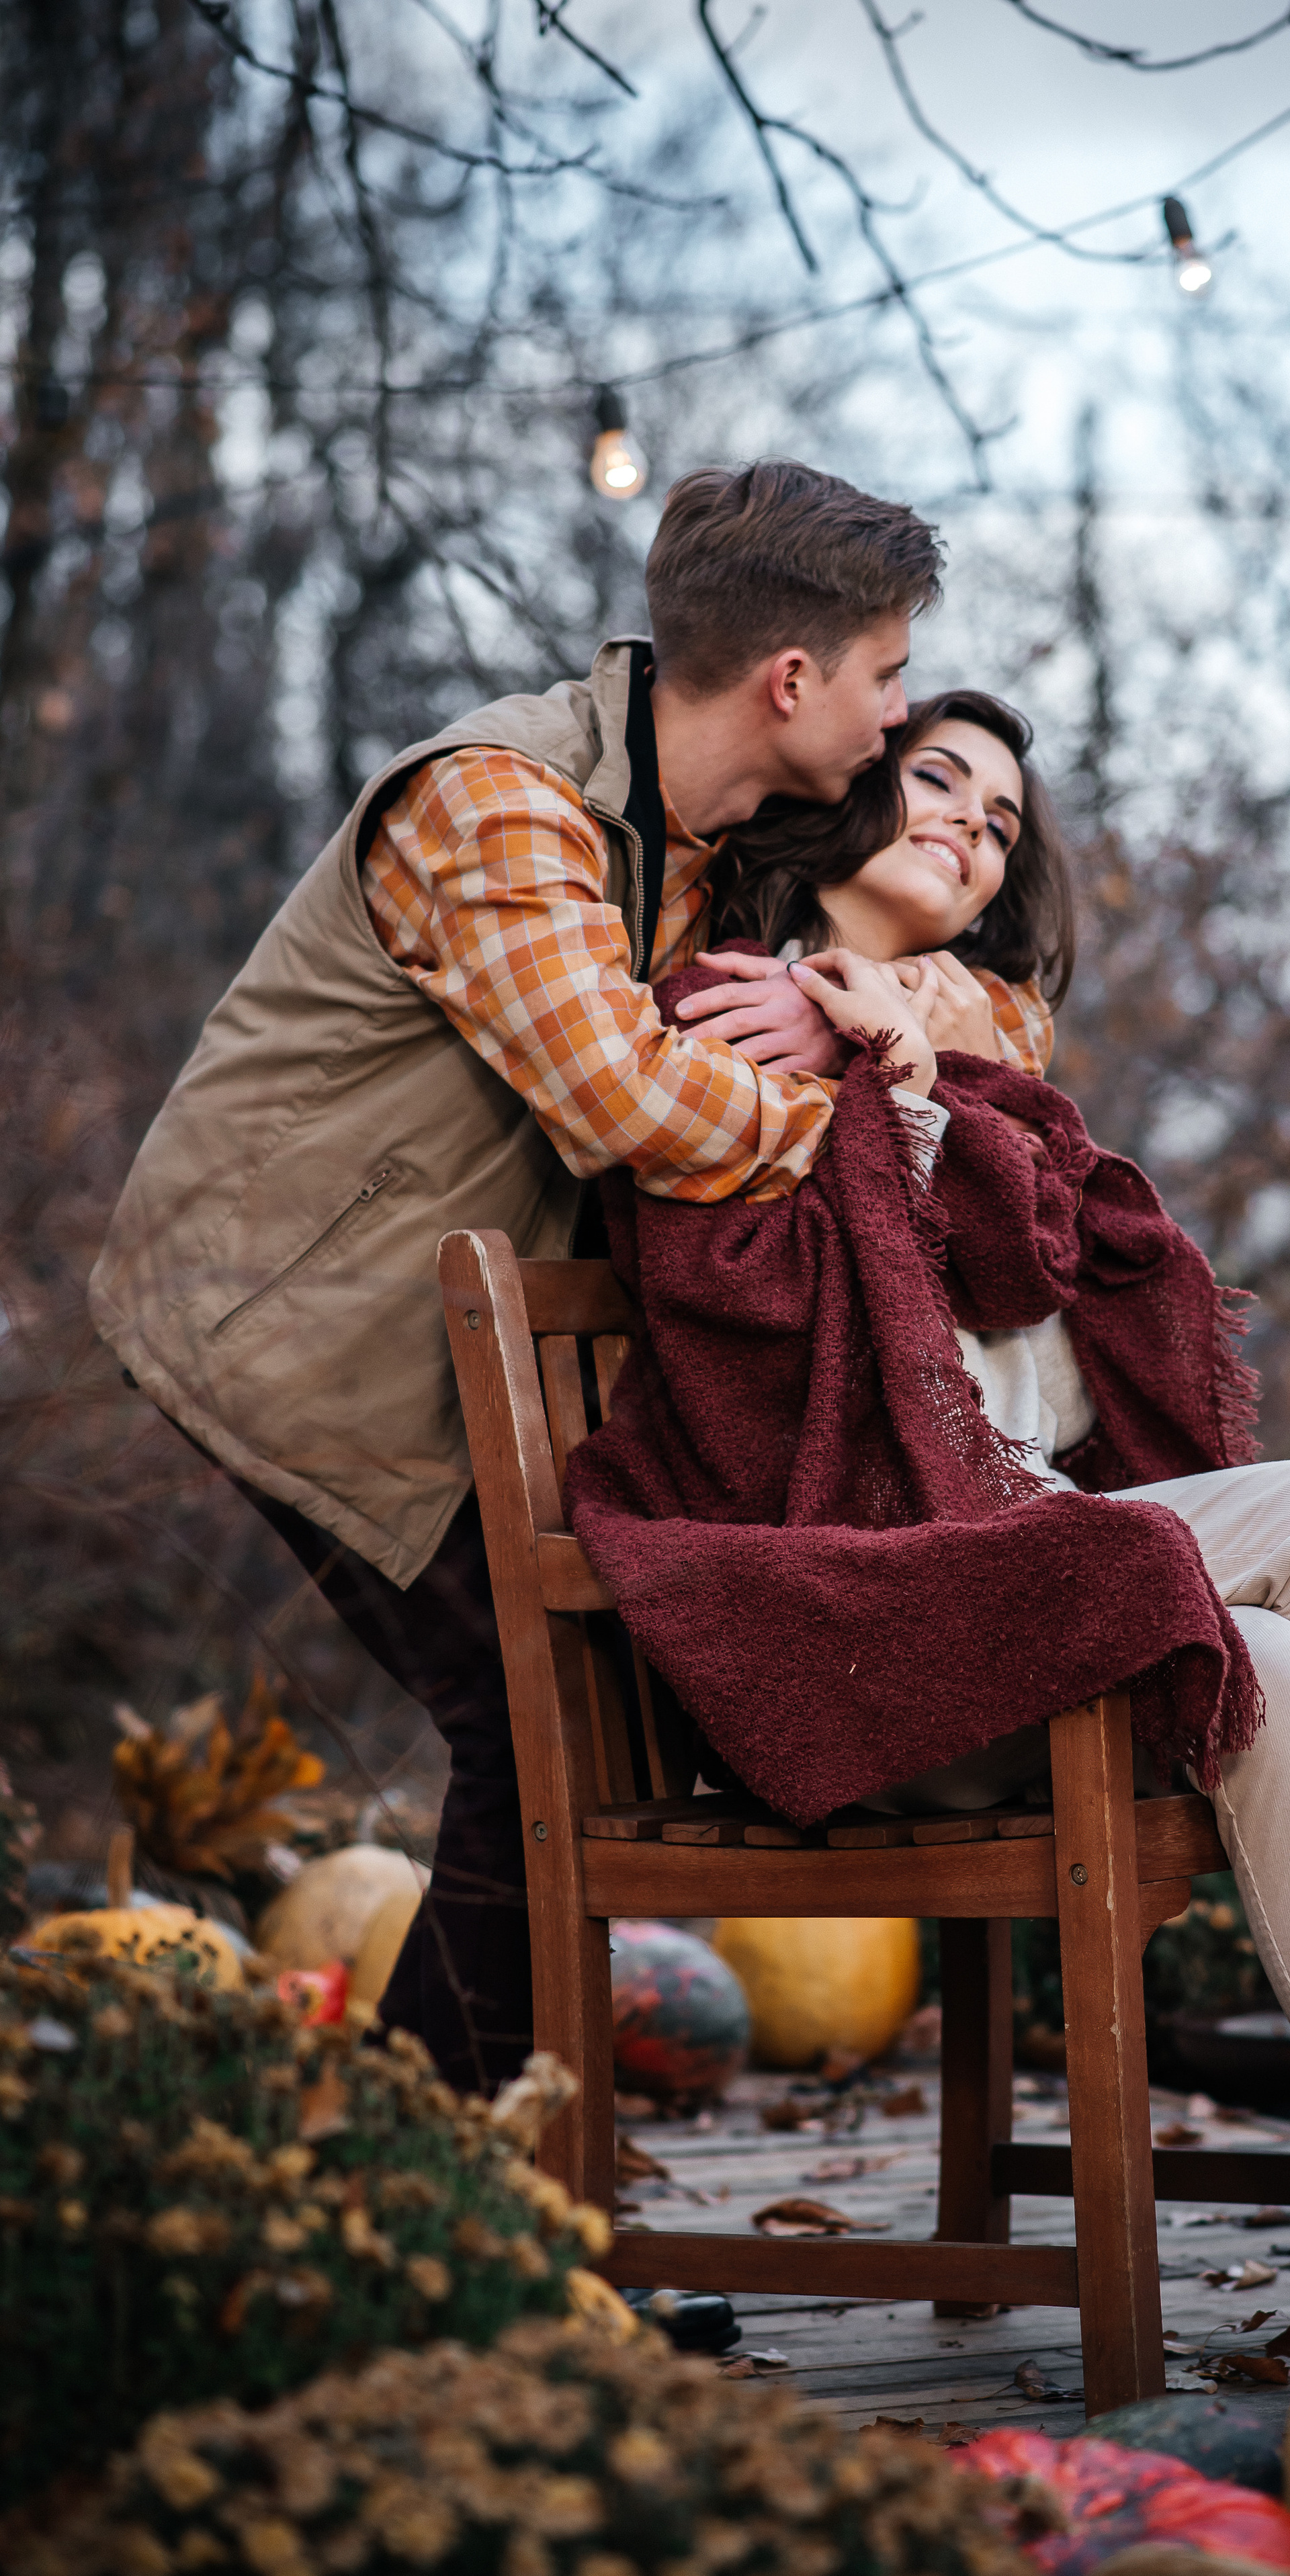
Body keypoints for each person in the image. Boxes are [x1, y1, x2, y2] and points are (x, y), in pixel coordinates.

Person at [87, 463, 1054, 2094]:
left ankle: (464, 2177)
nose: (901, 724)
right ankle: (414, 2184)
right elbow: (635, 1108)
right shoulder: (503, 804)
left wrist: (855, 1010)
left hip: (465, 1352)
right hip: (289, 1327)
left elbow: (1003, 1012)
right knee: (532, 1735)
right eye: (889, 678)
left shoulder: (714, 830)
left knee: (575, 1736)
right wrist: (862, 1110)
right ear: (793, 681)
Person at [570, 688, 1290, 2266]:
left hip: (1012, 1594)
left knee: (1274, 1656)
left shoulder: (942, 1048)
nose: (968, 822)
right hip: (875, 1621)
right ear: (850, 790)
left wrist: (912, 1073)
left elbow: (1030, 1272)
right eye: (937, 778)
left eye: (999, 821)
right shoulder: (718, 1012)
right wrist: (872, 1071)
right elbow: (739, 1320)